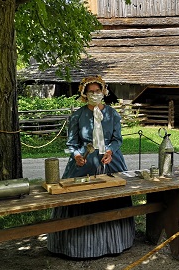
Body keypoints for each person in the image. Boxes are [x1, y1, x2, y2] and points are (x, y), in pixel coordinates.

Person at [47, 75, 135, 259]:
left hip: (111, 162)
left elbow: (117, 139)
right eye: (91, 92)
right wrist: (77, 155)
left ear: (104, 92)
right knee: (80, 196)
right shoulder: (78, 116)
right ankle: (78, 245)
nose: (95, 94)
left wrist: (110, 151)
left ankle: (114, 241)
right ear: (84, 94)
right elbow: (72, 143)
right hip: (84, 164)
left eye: (98, 91)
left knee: (113, 194)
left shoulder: (112, 114)